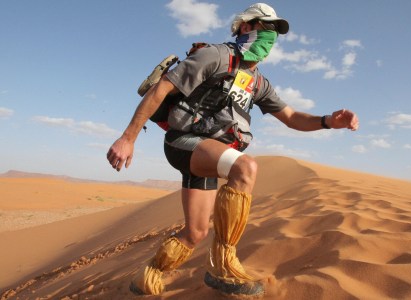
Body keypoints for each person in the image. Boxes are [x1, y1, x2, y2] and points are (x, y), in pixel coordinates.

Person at [107, 2, 359, 297]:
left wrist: (329, 121)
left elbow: (291, 118)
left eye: (275, 32)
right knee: (245, 167)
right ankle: (222, 267)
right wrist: (128, 138)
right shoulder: (216, 56)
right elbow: (161, 88)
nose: (270, 37)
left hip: (210, 154)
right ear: (245, 27)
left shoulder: (258, 82)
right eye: (265, 28)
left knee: (196, 232)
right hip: (184, 141)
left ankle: (147, 278)